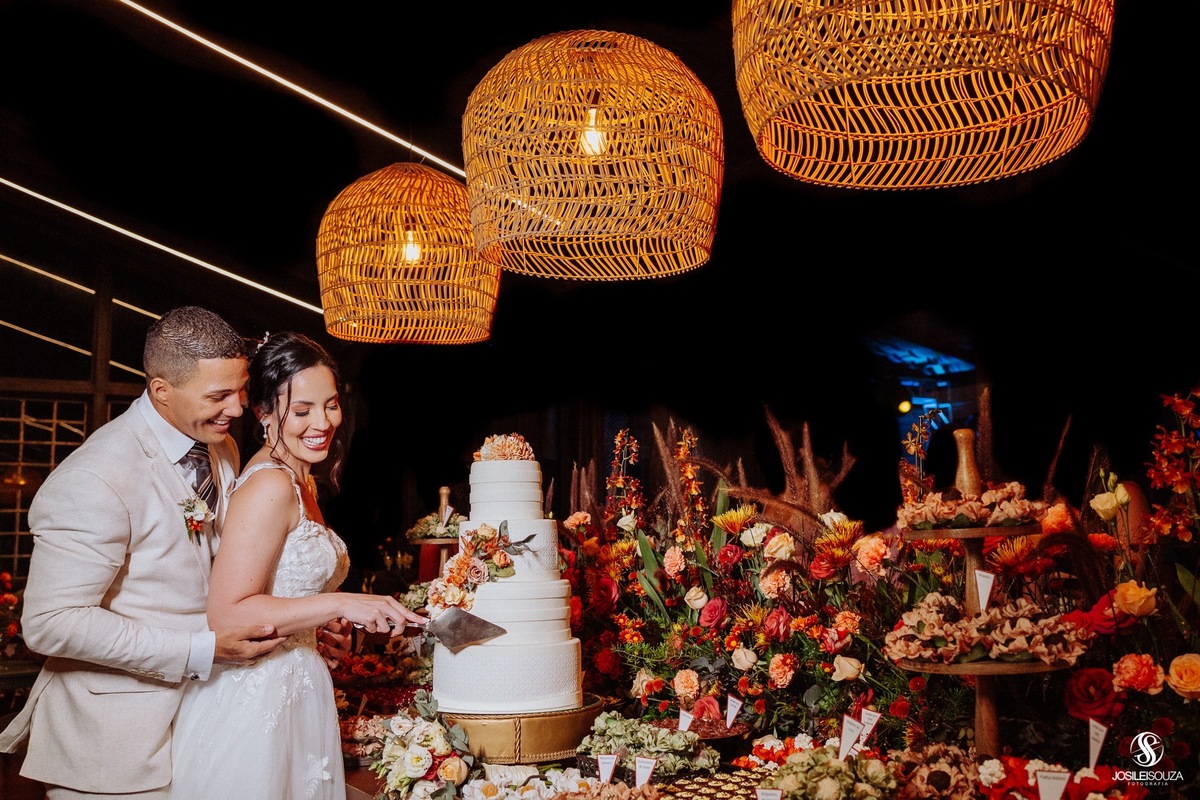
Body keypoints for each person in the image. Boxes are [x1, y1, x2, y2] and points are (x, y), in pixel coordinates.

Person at [0, 306, 291, 799]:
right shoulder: (95, 478)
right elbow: (51, 622)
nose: (238, 409)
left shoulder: (219, 447)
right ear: (161, 391)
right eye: (219, 395)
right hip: (113, 745)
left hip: (207, 724)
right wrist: (200, 649)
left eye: (240, 390)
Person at [169, 331, 424, 800]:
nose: (322, 422)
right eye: (301, 410)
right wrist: (341, 601)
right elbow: (227, 614)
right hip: (254, 700)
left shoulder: (300, 480)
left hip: (297, 687)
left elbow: (286, 596)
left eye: (330, 405)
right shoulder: (270, 485)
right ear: (263, 413)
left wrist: (326, 622)